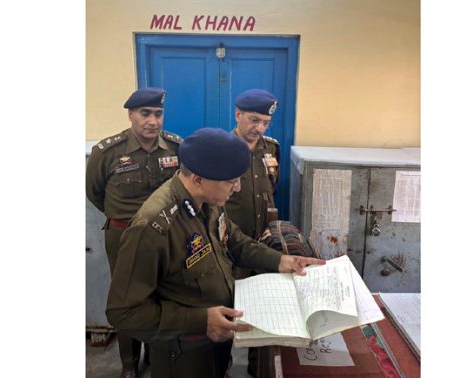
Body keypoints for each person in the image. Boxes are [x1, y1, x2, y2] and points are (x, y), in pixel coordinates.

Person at [105, 128, 325, 378]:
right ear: (198, 178)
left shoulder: (208, 202)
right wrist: (200, 321)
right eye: (232, 181)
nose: (238, 188)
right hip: (183, 355)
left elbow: (235, 242)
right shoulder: (153, 228)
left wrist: (281, 260)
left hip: (217, 340)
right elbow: (123, 312)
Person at [86, 87, 182, 378]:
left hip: (166, 234)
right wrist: (125, 219)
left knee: (162, 294)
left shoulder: (176, 148)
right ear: (131, 115)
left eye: (158, 114)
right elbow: (94, 192)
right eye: (145, 113)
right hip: (123, 235)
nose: (153, 121)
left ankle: (155, 357)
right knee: (128, 299)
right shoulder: (108, 151)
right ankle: (129, 364)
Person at [224, 88, 280, 376]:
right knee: (225, 311)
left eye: (265, 123)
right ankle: (221, 366)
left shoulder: (270, 149)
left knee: (262, 312)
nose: (259, 128)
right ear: (237, 115)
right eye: (253, 120)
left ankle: (258, 368)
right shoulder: (221, 148)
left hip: (263, 244)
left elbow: (269, 191)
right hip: (228, 246)